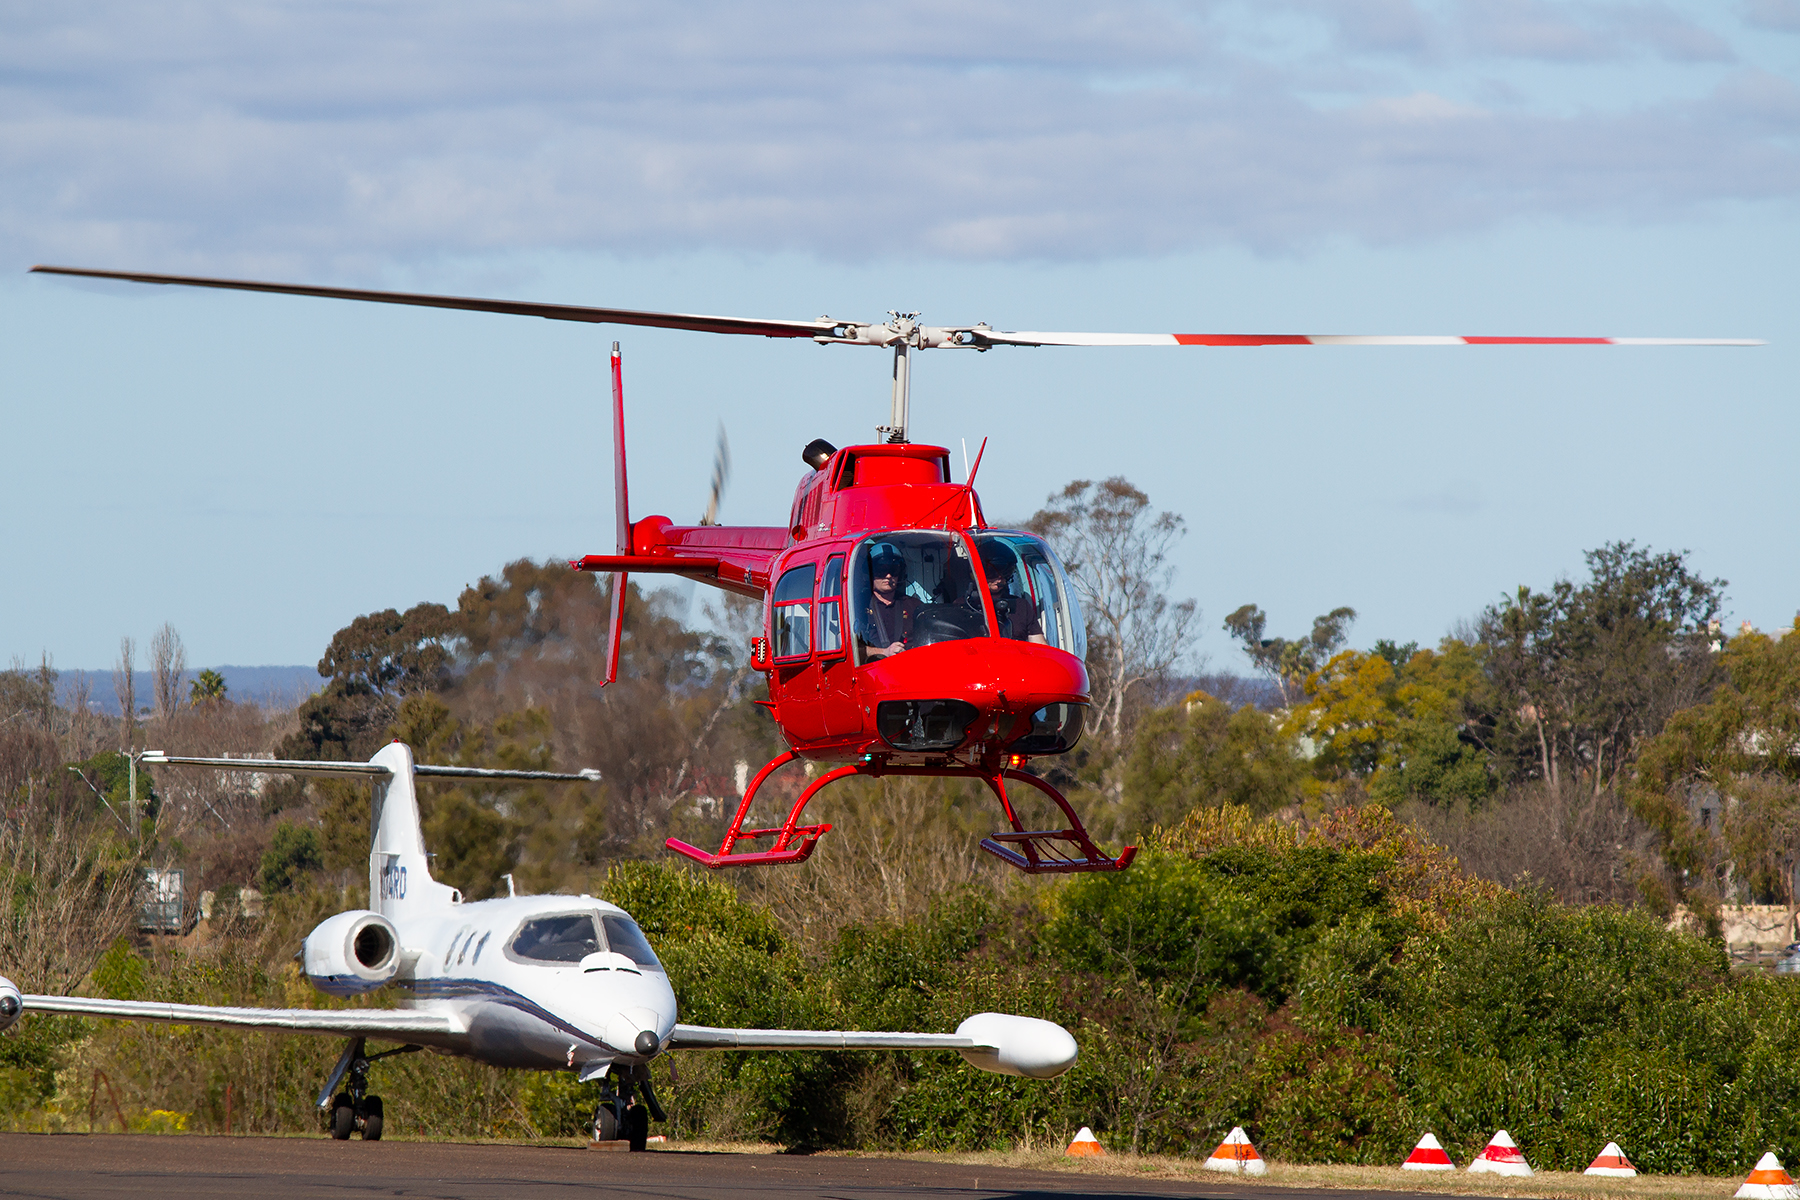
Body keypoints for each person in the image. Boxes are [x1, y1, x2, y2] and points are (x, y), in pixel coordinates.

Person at [856, 543, 921, 659]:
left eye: (893, 570)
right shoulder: (857, 607)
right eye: (881, 570)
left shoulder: (914, 606)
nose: (888, 575)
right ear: (870, 574)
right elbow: (852, 649)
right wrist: (885, 652)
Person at [977, 542, 1046, 644]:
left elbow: (1040, 646)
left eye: (1005, 572)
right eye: (992, 572)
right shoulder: (962, 606)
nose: (999, 578)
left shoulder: (1021, 606)